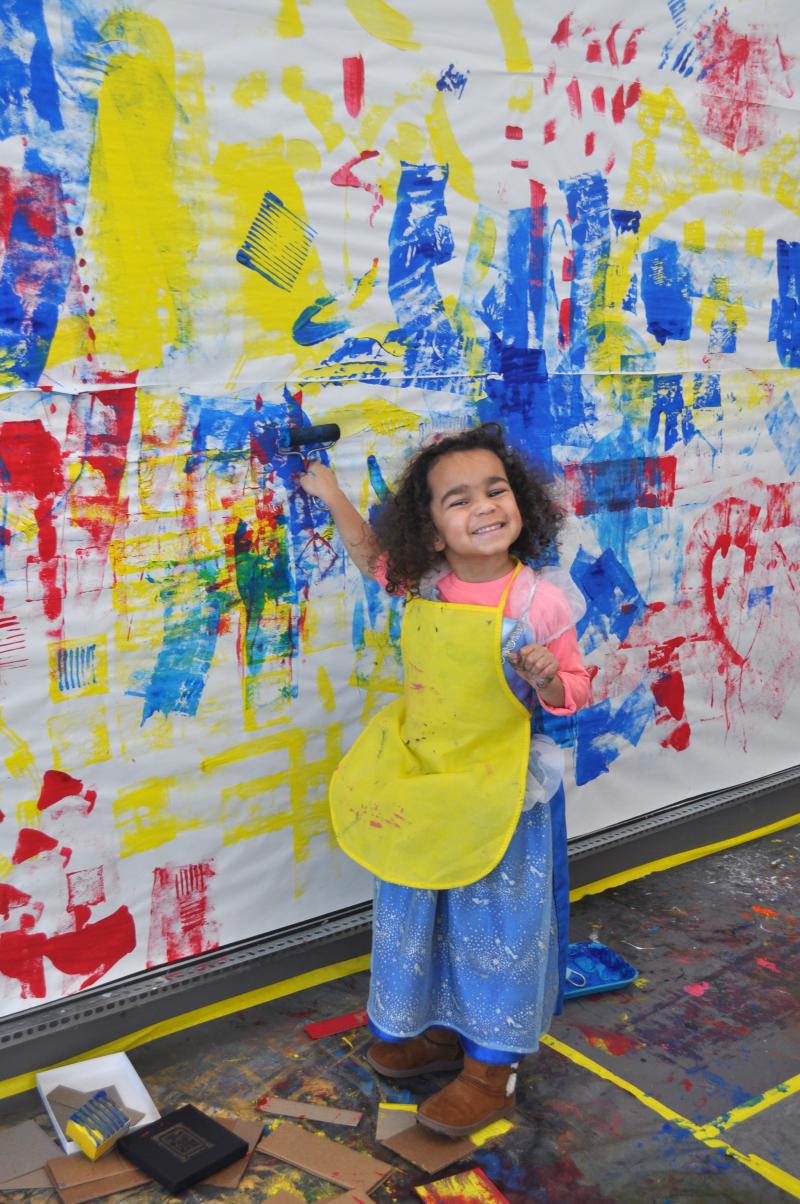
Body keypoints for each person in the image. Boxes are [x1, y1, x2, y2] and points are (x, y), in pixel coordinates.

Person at [299, 422, 591, 1138]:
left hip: (502, 791)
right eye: (458, 499)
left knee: (498, 926)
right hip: (429, 776)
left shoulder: (539, 602)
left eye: (496, 489)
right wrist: (333, 492)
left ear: (520, 501)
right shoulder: (425, 582)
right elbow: (371, 557)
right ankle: (437, 1025)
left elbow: (577, 690)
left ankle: (491, 1068)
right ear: (430, 531)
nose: (484, 505)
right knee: (424, 908)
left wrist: (552, 679)